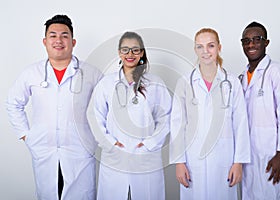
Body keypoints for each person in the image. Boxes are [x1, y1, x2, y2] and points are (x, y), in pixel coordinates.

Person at [6, 14, 102, 200]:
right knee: (48, 194)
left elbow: (107, 107)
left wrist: (98, 138)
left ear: (73, 42)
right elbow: (13, 103)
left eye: (64, 36)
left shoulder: (91, 73)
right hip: (44, 149)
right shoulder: (31, 73)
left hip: (80, 152)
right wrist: (27, 135)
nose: (59, 40)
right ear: (45, 41)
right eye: (53, 35)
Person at [169, 28, 251, 200]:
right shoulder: (185, 83)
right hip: (192, 161)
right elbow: (177, 124)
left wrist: (238, 162)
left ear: (219, 47)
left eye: (210, 46)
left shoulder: (232, 83)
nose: (205, 51)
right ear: (195, 50)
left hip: (224, 160)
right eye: (200, 47)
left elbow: (241, 123)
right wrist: (179, 162)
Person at [93, 31, 171, 200]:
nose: (130, 54)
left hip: (146, 157)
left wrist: (149, 144)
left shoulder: (155, 83)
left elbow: (165, 118)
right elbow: (95, 117)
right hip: (115, 157)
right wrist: (111, 144)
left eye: (135, 50)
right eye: (125, 50)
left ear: (142, 52)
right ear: (119, 52)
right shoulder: (106, 83)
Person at [239, 21, 280, 200]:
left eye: (257, 39)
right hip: (248, 154)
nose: (251, 44)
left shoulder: (278, 72)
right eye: (246, 40)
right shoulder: (242, 78)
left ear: (266, 42)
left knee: (274, 194)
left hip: (271, 153)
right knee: (250, 194)